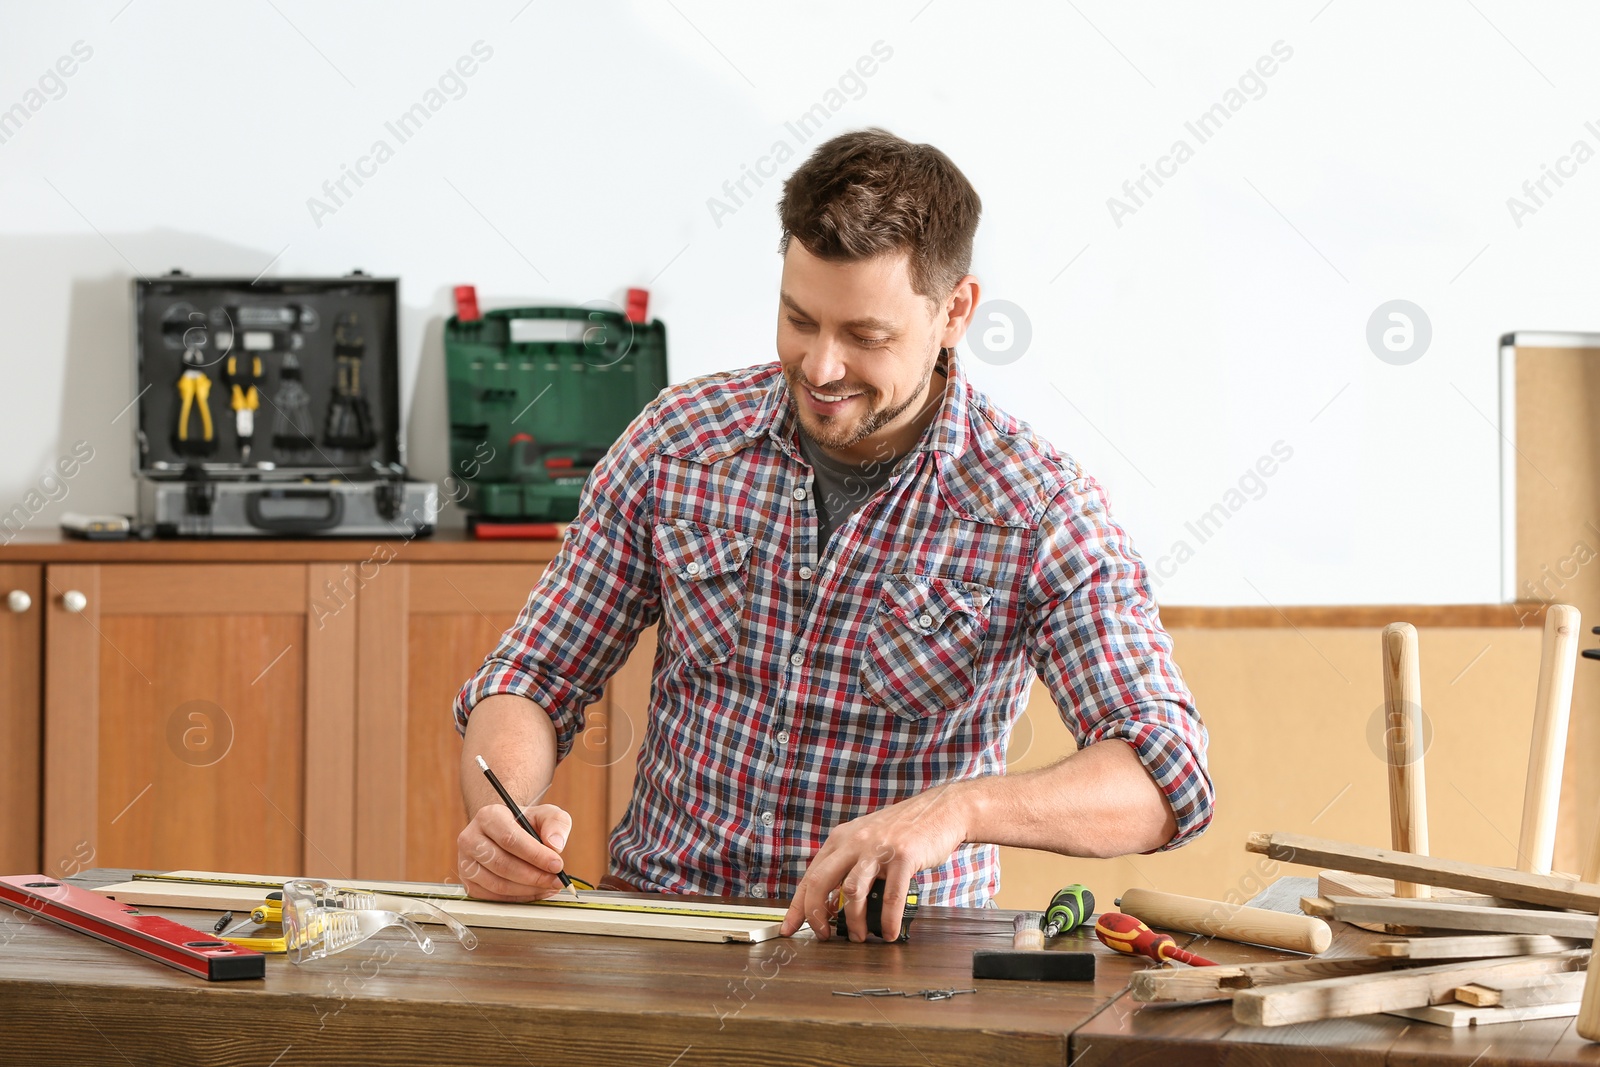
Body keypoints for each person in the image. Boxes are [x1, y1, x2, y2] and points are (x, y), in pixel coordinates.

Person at [453, 127, 1212, 942]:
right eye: (798, 319)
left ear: (955, 311)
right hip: (667, 938)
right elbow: (533, 674)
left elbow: (1164, 777)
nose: (819, 367)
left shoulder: (1038, 509)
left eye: (865, 336)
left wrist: (958, 810)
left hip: (899, 965)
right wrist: (505, 812)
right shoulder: (677, 444)